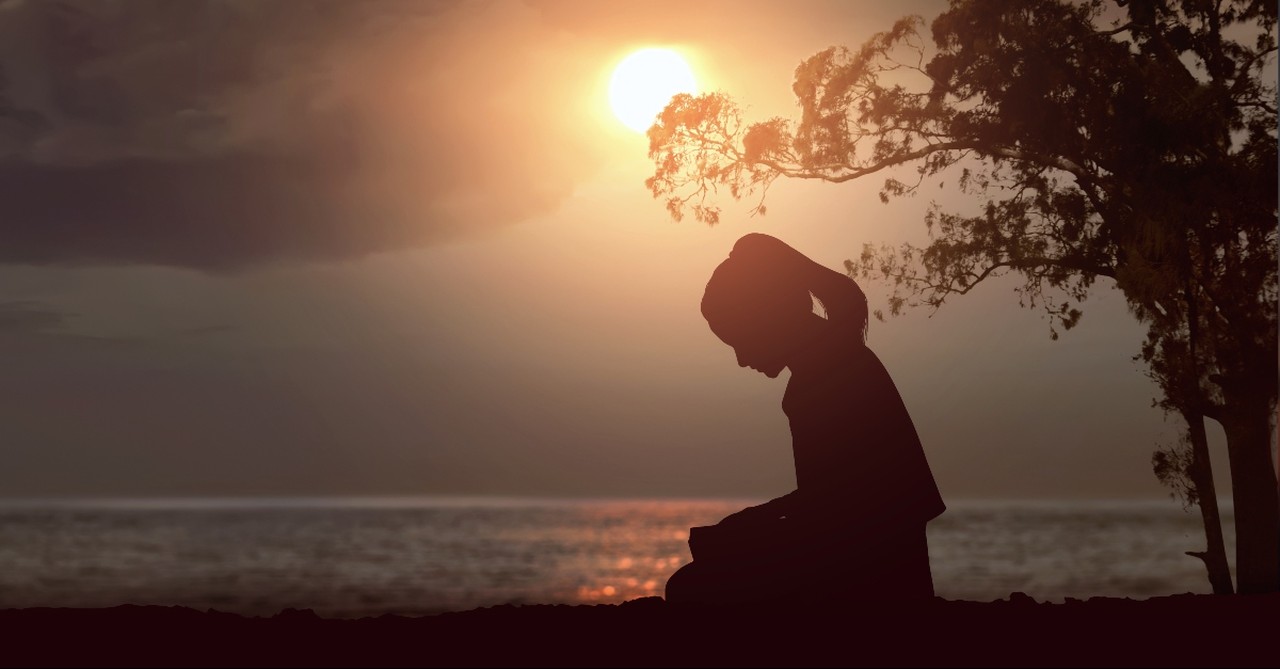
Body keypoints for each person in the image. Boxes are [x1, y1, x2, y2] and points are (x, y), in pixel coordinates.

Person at [664, 232, 945, 606]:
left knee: (689, 589)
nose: (742, 360)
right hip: (873, 550)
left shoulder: (823, 378)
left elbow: (839, 513)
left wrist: (748, 528)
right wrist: (754, 522)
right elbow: (830, 496)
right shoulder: (836, 361)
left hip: (872, 563)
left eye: (739, 342)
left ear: (766, 321)